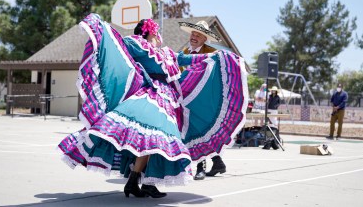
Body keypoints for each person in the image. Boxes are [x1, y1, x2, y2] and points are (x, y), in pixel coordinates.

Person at [58, 13, 249, 198]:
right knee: (153, 139)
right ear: (150, 33)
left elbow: (186, 59)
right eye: (156, 32)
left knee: (154, 143)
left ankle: (139, 182)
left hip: (168, 101)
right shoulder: (138, 44)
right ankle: (141, 183)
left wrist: (215, 56)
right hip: (150, 97)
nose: (159, 36)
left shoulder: (166, 53)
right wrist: (104, 28)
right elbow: (119, 47)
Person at [178, 20, 226, 181]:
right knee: (196, 132)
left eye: (199, 34)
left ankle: (201, 167)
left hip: (205, 100)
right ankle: (218, 162)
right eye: (193, 33)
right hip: (187, 99)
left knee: (201, 131)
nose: (194, 36)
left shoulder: (212, 52)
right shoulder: (184, 52)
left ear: (205, 38)